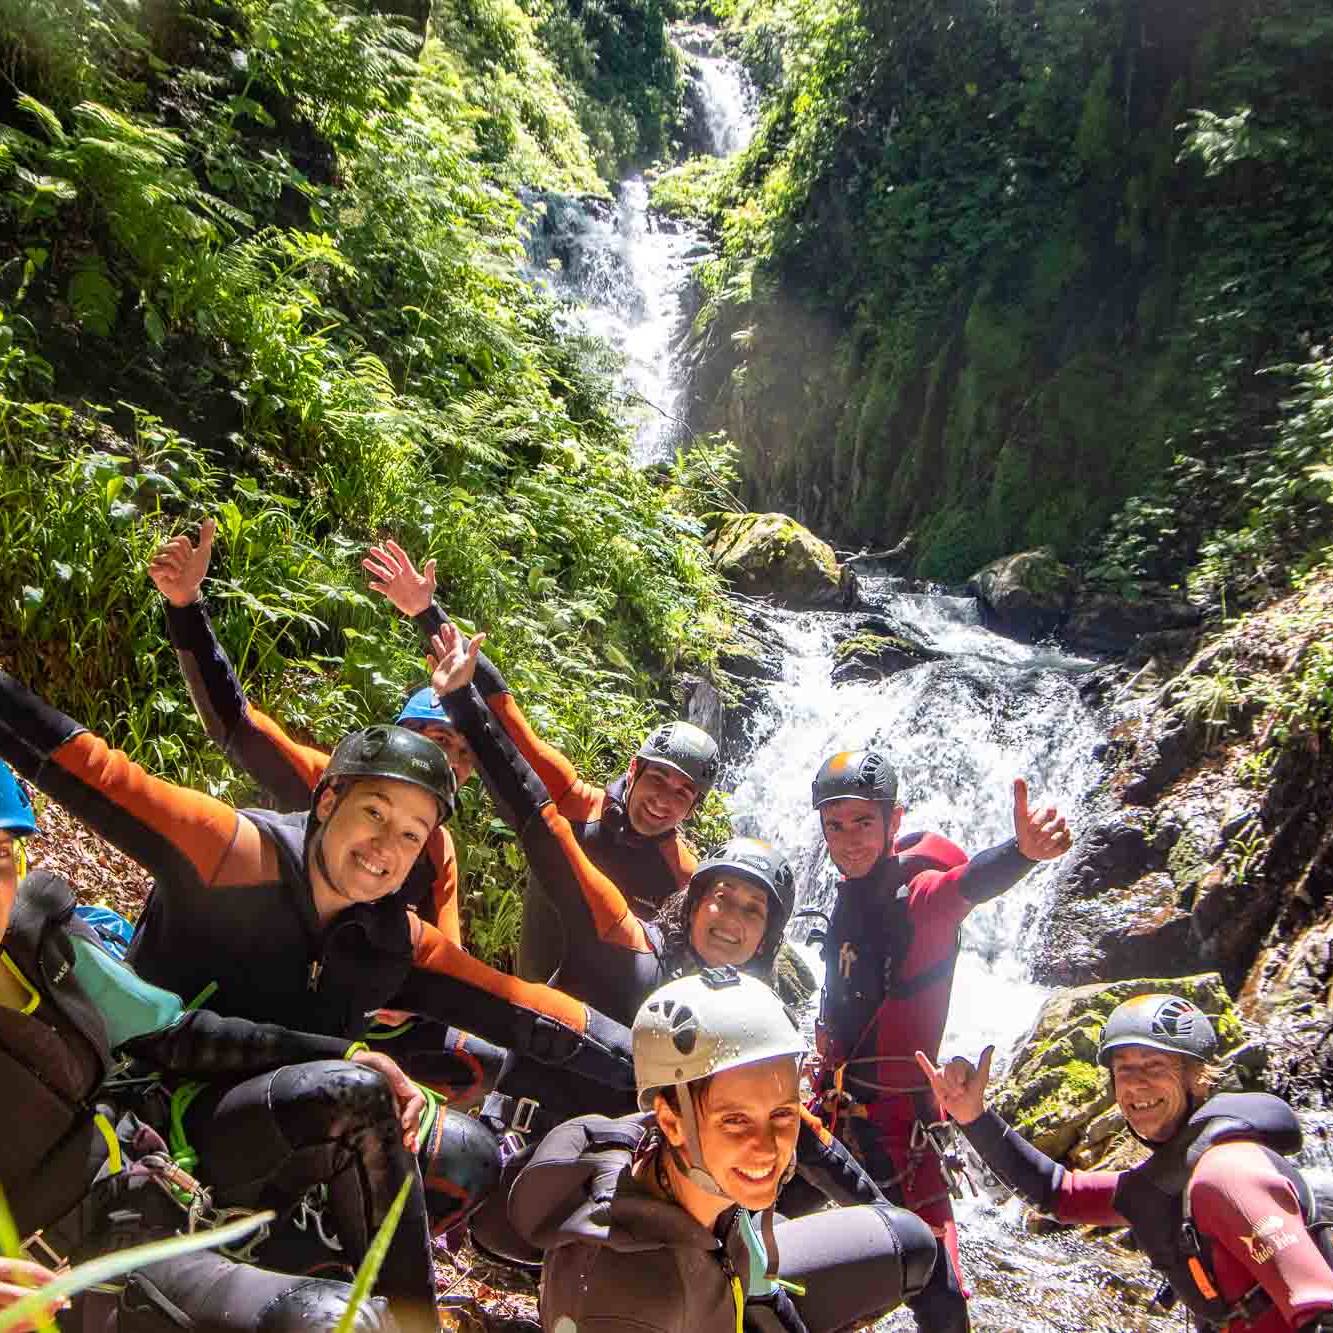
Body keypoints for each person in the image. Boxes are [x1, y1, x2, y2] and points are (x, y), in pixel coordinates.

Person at [0, 667, 638, 1238]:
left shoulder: (393, 941)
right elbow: (87, 765)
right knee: (354, 1090)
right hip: (150, 1082)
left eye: (411, 834)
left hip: (277, 1101)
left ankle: (292, 1241)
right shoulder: (231, 853)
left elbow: (532, 1013)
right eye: (374, 814)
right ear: (329, 800)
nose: (386, 845)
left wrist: (669, 1074)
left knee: (464, 1155)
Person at [419, 624, 897, 1264]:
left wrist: (888, 1216)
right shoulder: (627, 936)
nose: (731, 918)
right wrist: (462, 698)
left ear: (768, 940)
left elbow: (803, 1139)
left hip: (616, 1193)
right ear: (693, 904)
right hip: (533, 1178)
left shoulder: (742, 1015)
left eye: (753, 911)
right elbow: (537, 817)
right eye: (721, 899)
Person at [0, 760, 429, 1331]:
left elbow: (175, 1033)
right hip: (60, 1272)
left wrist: (344, 1053)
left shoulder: (37, 941)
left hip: (138, 1201)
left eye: (0, 856)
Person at [149, 520, 503, 1110]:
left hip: (356, 1006)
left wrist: (410, 988)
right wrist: (186, 608)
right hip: (253, 986)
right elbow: (235, 726)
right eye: (438, 738)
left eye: (465, 751)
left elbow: (446, 951)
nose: (452, 759)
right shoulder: (329, 782)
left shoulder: (436, 845)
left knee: (481, 1064)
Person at [508, 968, 939, 1333]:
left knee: (908, 1244)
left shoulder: (676, 1165)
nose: (769, 1149)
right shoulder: (634, 1300)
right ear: (673, 1121)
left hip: (712, 1284)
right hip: (672, 1301)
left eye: (782, 1115)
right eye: (736, 1121)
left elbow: (756, 1279)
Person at [361, 540, 715, 981]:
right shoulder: (573, 803)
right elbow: (506, 715)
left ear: (694, 809)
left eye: (683, 794)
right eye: (658, 779)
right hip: (531, 1005)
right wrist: (426, 612)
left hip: (610, 1029)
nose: (664, 799)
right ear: (633, 770)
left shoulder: (686, 876)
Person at [809, 748, 1072, 1333]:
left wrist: (1021, 855)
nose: (849, 839)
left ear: (894, 820)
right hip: (829, 1107)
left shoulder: (920, 900)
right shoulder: (850, 892)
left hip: (899, 1127)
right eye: (835, 824)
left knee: (942, 1301)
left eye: (864, 822)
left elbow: (963, 887)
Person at [919, 993, 1333, 1332]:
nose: (1136, 1083)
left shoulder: (1227, 1175)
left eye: (1155, 1065)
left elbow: (1321, 1311)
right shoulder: (1177, 1178)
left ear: (1199, 1077)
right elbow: (1057, 1194)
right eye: (1124, 1069)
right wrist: (972, 1115)